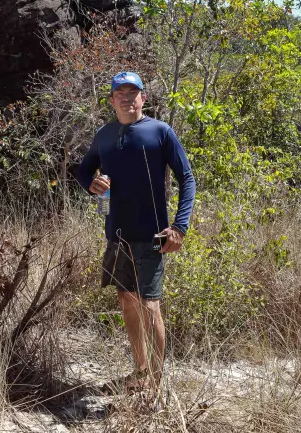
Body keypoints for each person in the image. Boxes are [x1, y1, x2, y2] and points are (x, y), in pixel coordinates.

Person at [77, 71, 196, 391]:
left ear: (144, 98)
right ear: (112, 100)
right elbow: (84, 170)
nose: (127, 98)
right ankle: (141, 372)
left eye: (133, 93)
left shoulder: (160, 131)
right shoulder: (104, 135)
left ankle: (156, 385)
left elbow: (187, 178)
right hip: (117, 235)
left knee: (149, 305)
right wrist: (92, 183)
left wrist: (180, 227)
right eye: (121, 94)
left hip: (151, 235)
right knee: (127, 299)